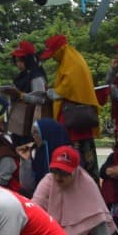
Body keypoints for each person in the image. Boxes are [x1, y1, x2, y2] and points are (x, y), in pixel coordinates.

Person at [31, 146, 118, 235]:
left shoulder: (86, 183)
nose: (58, 178)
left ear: (75, 170)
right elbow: (34, 211)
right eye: (55, 172)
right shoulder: (48, 181)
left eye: (64, 173)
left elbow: (97, 218)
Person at [38, 34, 101, 179]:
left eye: (54, 53)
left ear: (60, 50)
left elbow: (64, 90)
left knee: (76, 163)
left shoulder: (71, 64)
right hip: (77, 122)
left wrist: (50, 93)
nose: (53, 57)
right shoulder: (72, 61)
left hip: (74, 123)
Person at [4, 41, 48, 146]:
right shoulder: (20, 77)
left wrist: (21, 95)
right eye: (16, 61)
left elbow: (41, 99)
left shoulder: (36, 75)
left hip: (31, 123)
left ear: (28, 59)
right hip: (18, 122)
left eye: (21, 60)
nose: (18, 64)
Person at [15, 119, 70, 198]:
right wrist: (25, 161)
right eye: (32, 133)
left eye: (36, 132)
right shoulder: (39, 153)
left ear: (47, 133)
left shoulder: (66, 154)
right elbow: (27, 186)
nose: (33, 136)